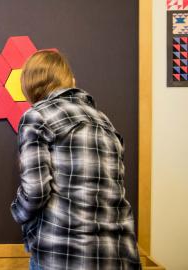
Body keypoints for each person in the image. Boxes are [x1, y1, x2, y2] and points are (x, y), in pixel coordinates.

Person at [10, 50, 141, 269]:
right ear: (71, 81)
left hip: (63, 255)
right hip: (119, 254)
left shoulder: (36, 116)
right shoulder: (105, 121)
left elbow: (35, 191)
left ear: (28, 87)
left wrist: (18, 212)